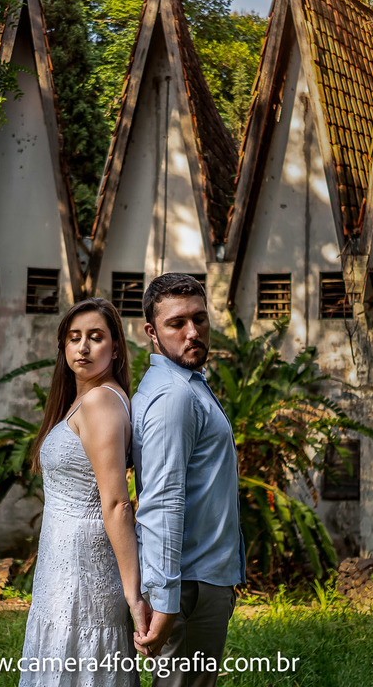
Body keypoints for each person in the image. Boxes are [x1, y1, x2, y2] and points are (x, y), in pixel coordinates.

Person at [20, 297, 148, 687]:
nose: (83, 347)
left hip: (84, 566)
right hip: (61, 563)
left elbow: (115, 503)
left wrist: (135, 596)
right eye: (74, 337)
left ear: (114, 347)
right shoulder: (80, 400)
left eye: (96, 336)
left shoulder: (100, 403)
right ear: (63, 346)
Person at [131, 273, 245, 687]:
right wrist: (164, 601)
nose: (192, 332)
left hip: (201, 580)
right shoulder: (173, 396)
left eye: (200, 319)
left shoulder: (186, 384)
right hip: (189, 587)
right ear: (152, 332)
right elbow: (162, 501)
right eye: (176, 323)